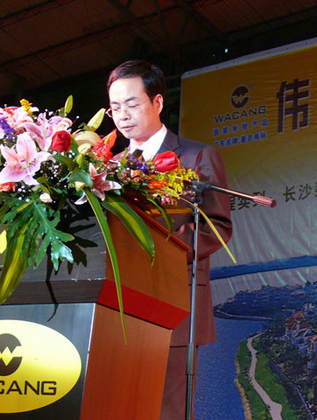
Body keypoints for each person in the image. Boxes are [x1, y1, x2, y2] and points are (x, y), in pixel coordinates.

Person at [107, 60, 233, 419]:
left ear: (157, 102)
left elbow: (217, 227)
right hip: (118, 304)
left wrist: (159, 251)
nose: (123, 115)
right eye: (115, 108)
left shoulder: (196, 156)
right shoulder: (107, 167)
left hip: (176, 299)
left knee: (168, 409)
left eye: (132, 104)